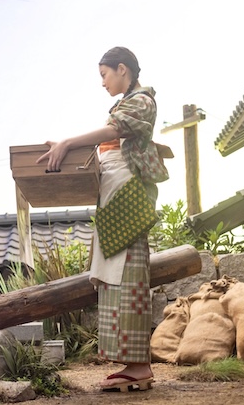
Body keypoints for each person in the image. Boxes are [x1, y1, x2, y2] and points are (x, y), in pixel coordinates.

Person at [37, 47, 168, 392]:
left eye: (104, 75)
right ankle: (132, 363)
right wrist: (66, 146)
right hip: (115, 191)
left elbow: (113, 131)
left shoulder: (142, 100)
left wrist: (68, 142)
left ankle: (139, 366)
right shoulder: (127, 102)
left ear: (122, 69)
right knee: (116, 275)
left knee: (129, 273)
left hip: (128, 191)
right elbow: (110, 135)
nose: (102, 83)